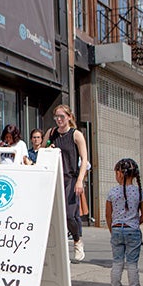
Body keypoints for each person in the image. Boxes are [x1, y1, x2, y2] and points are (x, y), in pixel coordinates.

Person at [44, 104, 88, 262]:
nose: (59, 120)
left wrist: (80, 181)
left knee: (70, 215)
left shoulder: (76, 135)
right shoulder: (51, 133)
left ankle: (77, 240)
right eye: (56, 117)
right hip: (54, 178)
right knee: (53, 216)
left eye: (62, 116)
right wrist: (50, 147)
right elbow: (43, 151)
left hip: (70, 177)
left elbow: (84, 159)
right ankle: (58, 250)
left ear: (69, 117)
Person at [106, 158, 143, 286]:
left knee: (117, 263)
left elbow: (107, 215)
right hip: (133, 230)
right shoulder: (140, 192)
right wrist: (134, 223)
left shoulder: (112, 192)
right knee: (132, 264)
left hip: (117, 229)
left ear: (119, 173)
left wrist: (113, 229)